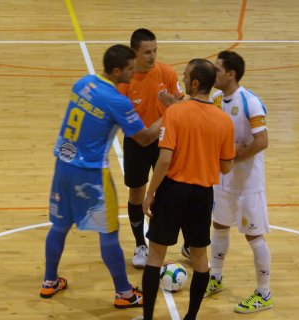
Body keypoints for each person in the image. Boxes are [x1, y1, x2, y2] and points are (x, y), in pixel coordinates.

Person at [40, 44, 163, 309]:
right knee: (109, 233)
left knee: (60, 226)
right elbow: (144, 138)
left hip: (63, 165)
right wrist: (170, 113)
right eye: (130, 69)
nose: (134, 72)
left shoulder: (82, 83)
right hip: (91, 175)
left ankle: (49, 280)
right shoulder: (118, 100)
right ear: (117, 70)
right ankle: (124, 293)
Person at [140, 59, 236, 320]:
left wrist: (150, 194)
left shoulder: (175, 113)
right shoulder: (224, 120)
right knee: (200, 260)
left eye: (185, 78)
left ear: (195, 83)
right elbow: (226, 167)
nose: (181, 81)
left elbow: (164, 159)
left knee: (155, 256)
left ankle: (148, 318)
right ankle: (191, 318)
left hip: (172, 192)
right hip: (202, 195)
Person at [203, 51, 273, 314]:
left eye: (218, 70)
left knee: (253, 236)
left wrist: (232, 156)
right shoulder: (216, 98)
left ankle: (264, 293)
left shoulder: (250, 102)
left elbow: (262, 142)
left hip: (247, 183)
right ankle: (216, 278)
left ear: (230, 74)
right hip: (223, 179)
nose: (214, 74)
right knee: (219, 225)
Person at [117, 28, 184, 269]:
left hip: (166, 142)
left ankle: (184, 242)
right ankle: (140, 245)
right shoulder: (125, 80)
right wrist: (167, 114)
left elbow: (179, 103)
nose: (152, 56)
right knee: (137, 193)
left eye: (155, 50)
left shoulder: (166, 71)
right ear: (134, 52)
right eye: (147, 52)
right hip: (136, 142)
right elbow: (140, 133)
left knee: (170, 191)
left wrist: (168, 115)